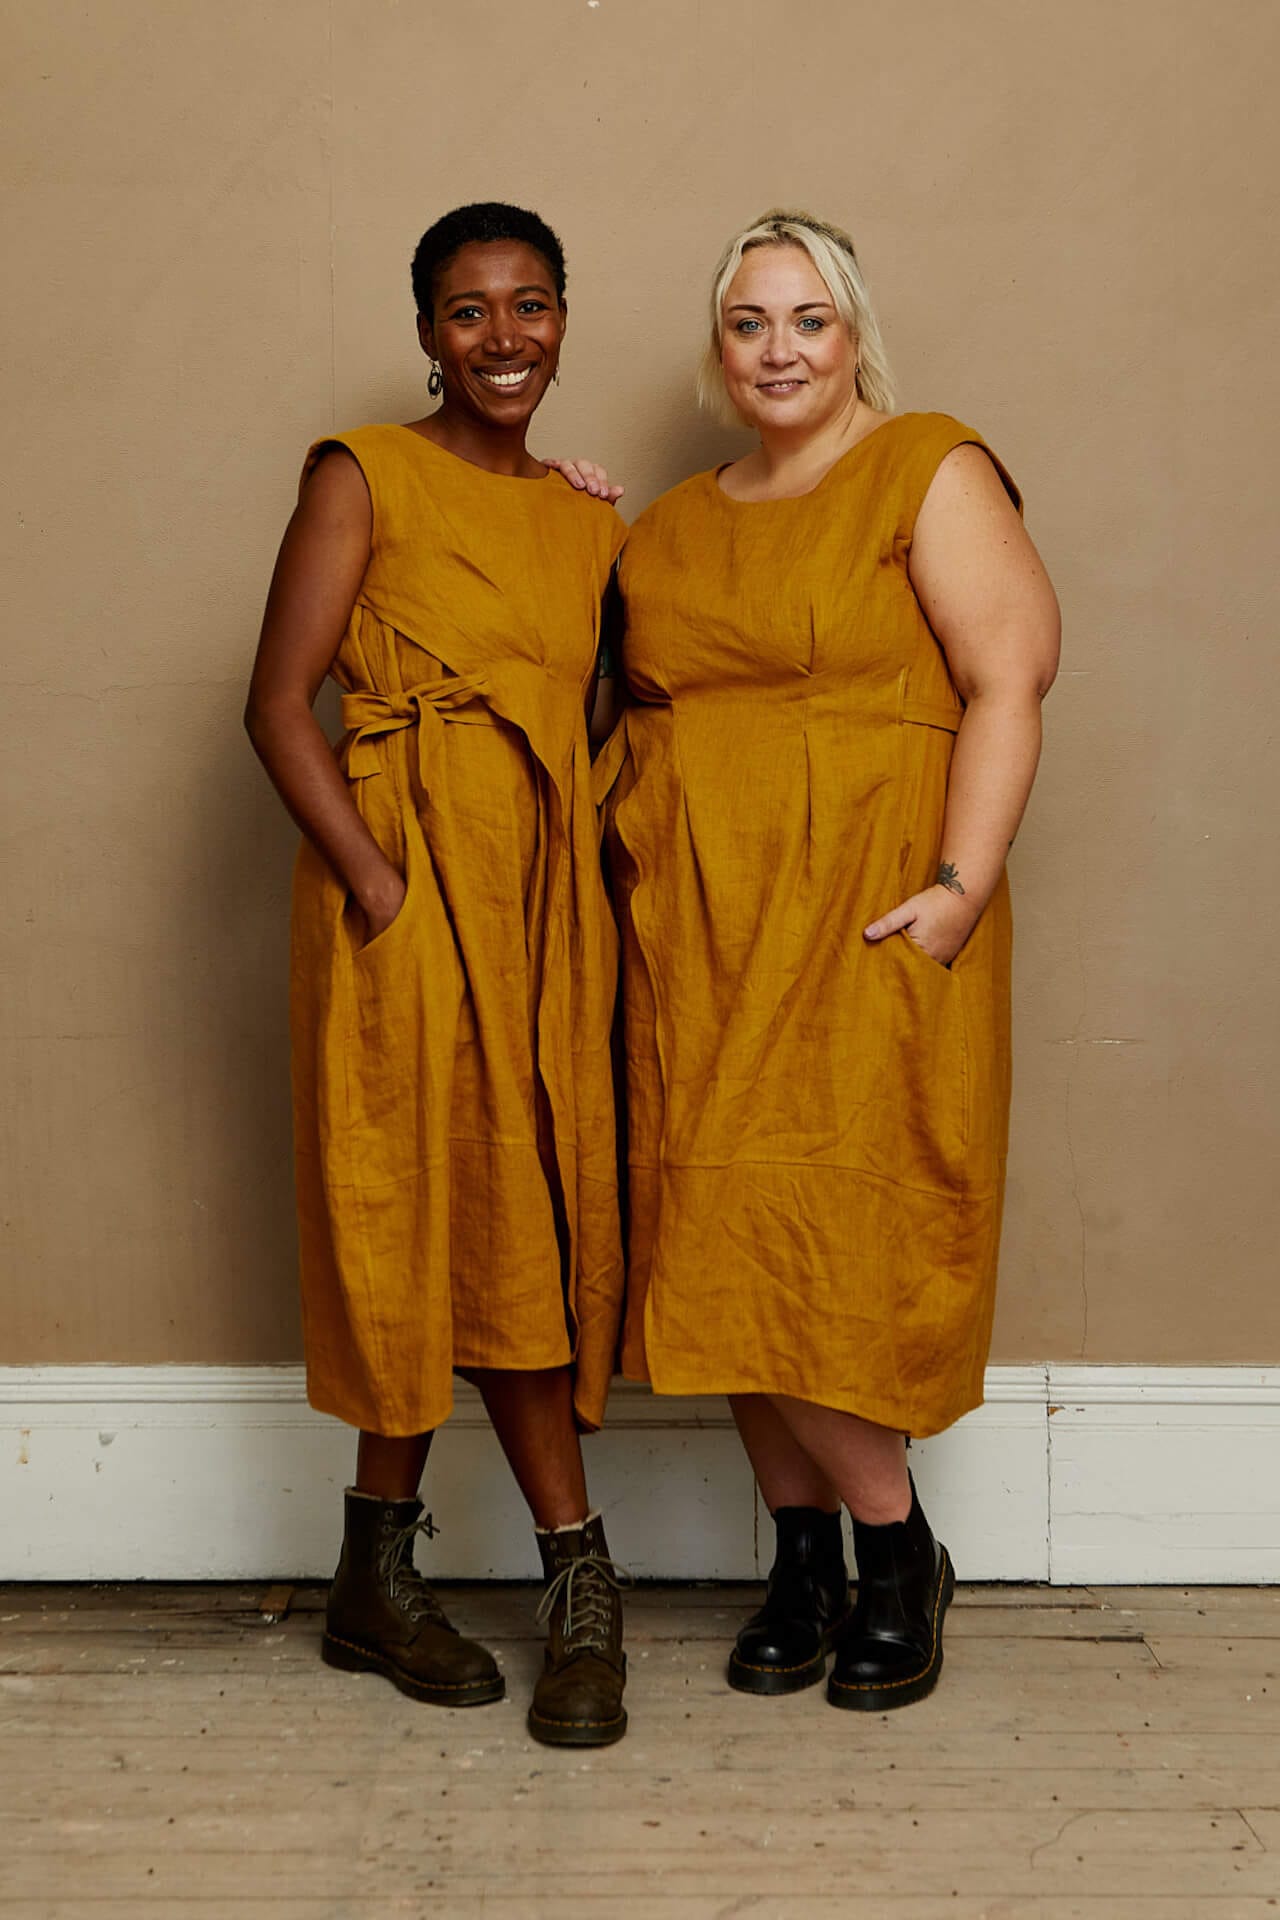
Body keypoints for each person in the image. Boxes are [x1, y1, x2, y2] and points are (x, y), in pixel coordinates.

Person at [592, 208, 1060, 1711]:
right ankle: (801, 1563)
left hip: (867, 914)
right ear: (718, 349)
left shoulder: (926, 465)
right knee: (714, 1233)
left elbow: (1009, 677)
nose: (778, 349)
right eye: (749, 323)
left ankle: (894, 1550)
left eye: (808, 319)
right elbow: (593, 680)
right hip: (700, 930)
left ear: (855, 334)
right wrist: (560, 512)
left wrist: (958, 890)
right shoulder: (671, 521)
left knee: (832, 1238)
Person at [245, 202, 631, 1748]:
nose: (503, 337)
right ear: (426, 333)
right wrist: (380, 886)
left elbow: (606, 716)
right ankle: (555, 1572)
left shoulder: (591, 522)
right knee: (410, 1207)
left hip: (538, 903)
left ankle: (391, 1576)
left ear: (563, 320)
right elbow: (279, 704)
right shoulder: (361, 473)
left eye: (530, 305)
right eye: (468, 311)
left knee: (514, 1202)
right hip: (402, 890)